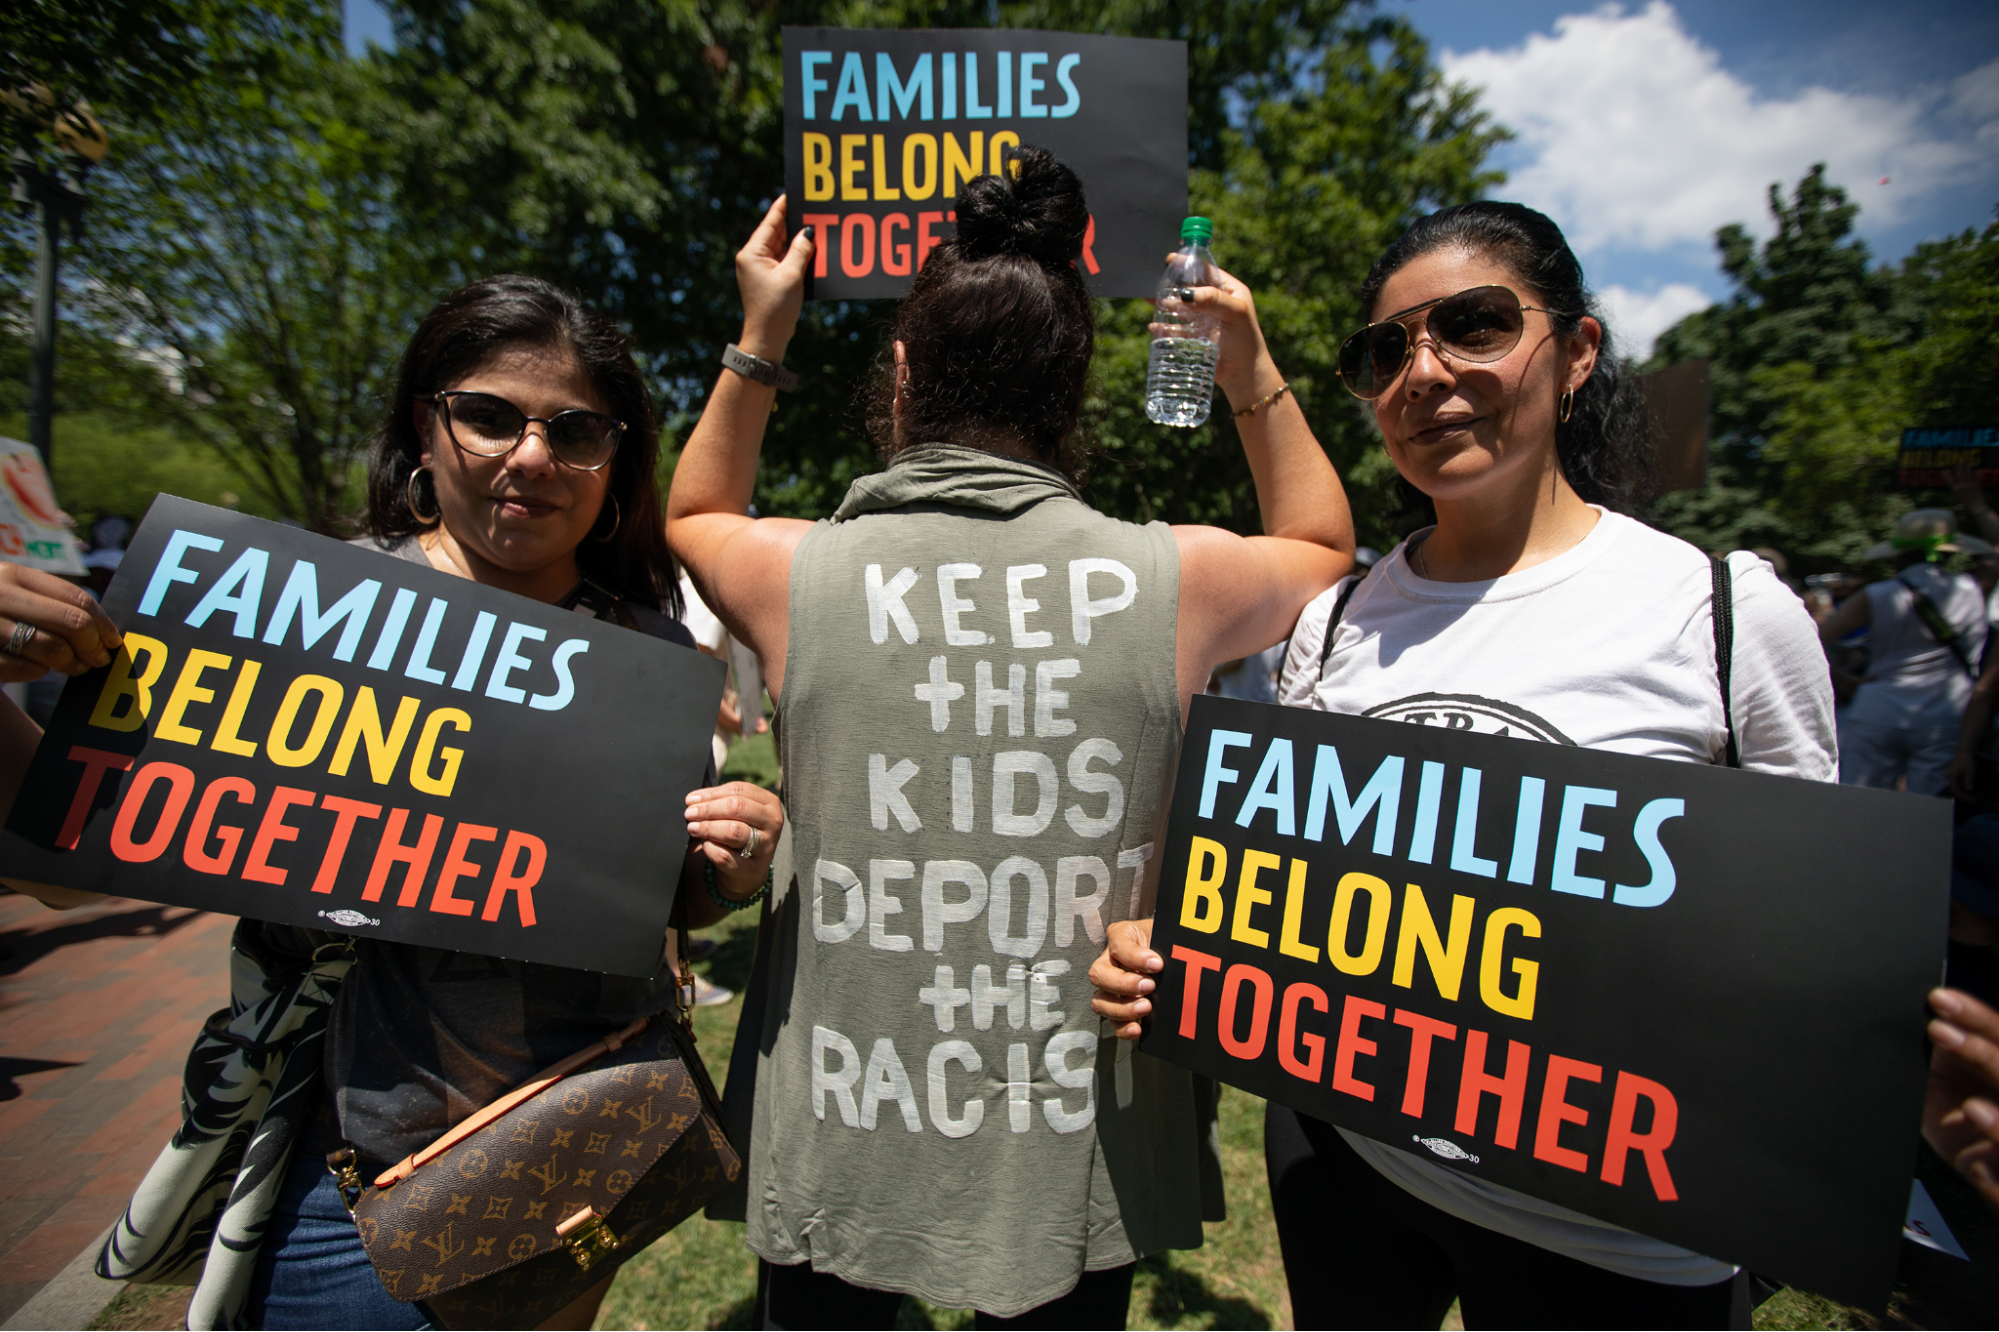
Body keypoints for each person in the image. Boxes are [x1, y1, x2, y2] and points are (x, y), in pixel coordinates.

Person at [1090, 201, 1836, 1329]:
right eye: (1384, 351)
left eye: (1474, 325)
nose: (1422, 373)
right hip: (1349, 1167)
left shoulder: (1724, 615)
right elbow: (1291, 893)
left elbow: (1804, 954)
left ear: (1577, 351)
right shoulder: (1332, 624)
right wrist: (1181, 952)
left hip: (1618, 1241)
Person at [0, 274, 784, 1331]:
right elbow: (55, 876)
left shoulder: (644, 652)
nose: (532, 457)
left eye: (576, 429)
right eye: (489, 415)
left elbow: (656, 893)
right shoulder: (288, 615)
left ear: (614, 456)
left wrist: (725, 868)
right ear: (428, 424)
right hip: (346, 1177)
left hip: (571, 1142)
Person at [666, 150, 1352, 1328]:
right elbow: (1322, 542)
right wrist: (1246, 367)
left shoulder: (797, 571)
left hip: (842, 1111)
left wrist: (759, 335)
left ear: (901, 373)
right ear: (1073, 387)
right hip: (1067, 1134)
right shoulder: (1173, 576)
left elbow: (692, 511)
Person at [1819, 510, 1990, 796]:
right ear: (1950, 551)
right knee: (1929, 814)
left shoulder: (1878, 594)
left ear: (1899, 553)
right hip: (1944, 715)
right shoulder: (1974, 589)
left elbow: (1815, 638)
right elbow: (1994, 556)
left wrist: (1844, 678)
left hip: (1878, 708)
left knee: (1860, 805)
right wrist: (1975, 503)